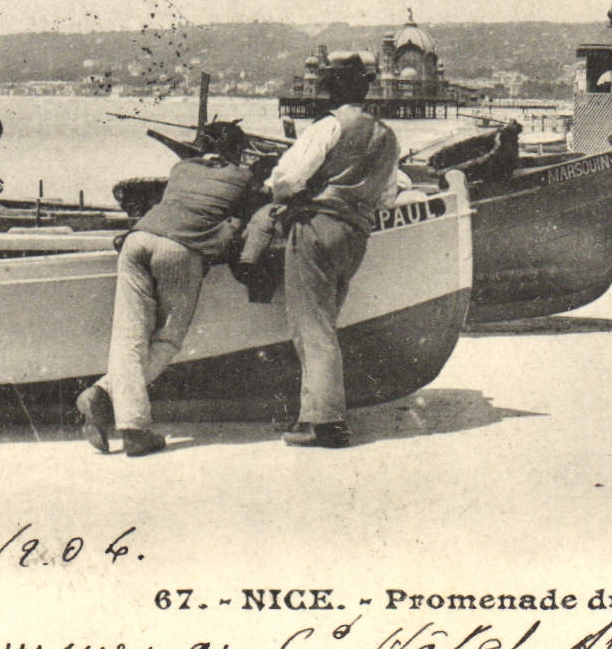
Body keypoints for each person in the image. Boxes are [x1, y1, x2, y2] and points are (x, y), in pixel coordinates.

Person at [75, 121, 257, 457]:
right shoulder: (243, 177)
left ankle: (105, 398)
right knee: (168, 339)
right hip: (179, 250)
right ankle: (127, 423)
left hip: (138, 240)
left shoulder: (181, 169)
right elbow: (245, 216)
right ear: (236, 150)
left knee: (128, 339)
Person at [266, 56, 401, 448]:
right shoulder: (387, 135)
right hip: (355, 234)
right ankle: (312, 415)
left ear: (332, 91)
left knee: (311, 328)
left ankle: (325, 423)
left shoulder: (329, 125)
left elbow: (287, 177)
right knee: (325, 324)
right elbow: (388, 196)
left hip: (317, 227)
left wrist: (275, 194)